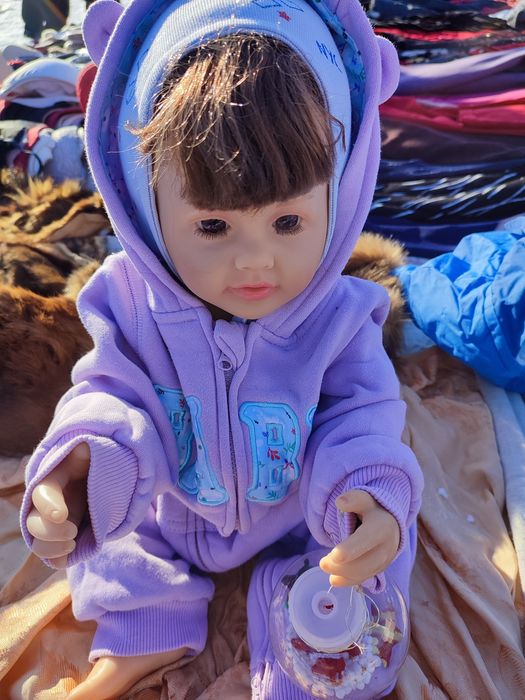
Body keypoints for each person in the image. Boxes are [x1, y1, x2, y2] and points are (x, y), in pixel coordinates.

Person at [20, 0, 424, 698]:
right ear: (145, 199)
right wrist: (78, 471)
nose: (255, 262)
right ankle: (145, 632)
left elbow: (362, 414)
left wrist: (369, 496)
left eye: (288, 221)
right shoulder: (127, 302)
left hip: (301, 514)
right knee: (114, 539)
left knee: (376, 551)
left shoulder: (340, 315)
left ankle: (305, 655)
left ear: (339, 193)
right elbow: (109, 393)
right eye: (212, 226)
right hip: (173, 512)